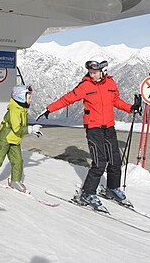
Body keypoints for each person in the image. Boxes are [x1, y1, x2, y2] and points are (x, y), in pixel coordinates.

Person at [36, 59, 140, 210]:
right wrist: (49, 109)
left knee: (115, 160)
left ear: (102, 72)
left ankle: (112, 188)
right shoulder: (85, 85)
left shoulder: (111, 83)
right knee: (99, 162)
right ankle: (87, 193)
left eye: (95, 72)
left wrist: (131, 108)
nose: (92, 75)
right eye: (90, 72)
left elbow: (116, 101)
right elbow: (68, 98)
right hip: (93, 128)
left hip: (109, 126)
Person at [0, 84, 43, 194]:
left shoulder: (22, 109)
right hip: (6, 138)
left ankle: (15, 181)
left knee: (18, 161)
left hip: (15, 140)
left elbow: (21, 128)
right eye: (29, 97)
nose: (30, 100)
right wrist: (30, 129)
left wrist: (33, 130)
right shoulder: (14, 110)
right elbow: (17, 128)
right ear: (20, 97)